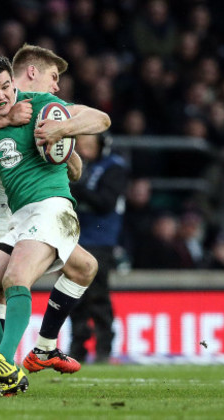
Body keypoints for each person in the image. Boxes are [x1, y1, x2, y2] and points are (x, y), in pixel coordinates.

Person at [0, 45, 109, 396]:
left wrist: (62, 132)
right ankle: (22, 364)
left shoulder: (41, 105)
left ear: (14, 81)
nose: (1, 95)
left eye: (5, 86)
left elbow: (100, 119)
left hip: (53, 210)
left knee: (16, 276)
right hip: (19, 219)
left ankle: (3, 359)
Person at [68, 133, 128, 364]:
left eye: (88, 144)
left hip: (100, 240)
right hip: (75, 239)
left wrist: (77, 188)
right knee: (72, 296)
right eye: (81, 144)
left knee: (97, 295)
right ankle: (77, 348)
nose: (83, 148)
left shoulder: (114, 168)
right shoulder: (81, 165)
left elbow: (105, 202)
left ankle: (104, 348)